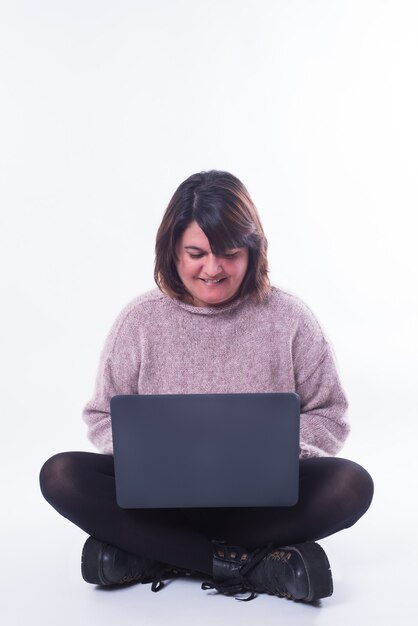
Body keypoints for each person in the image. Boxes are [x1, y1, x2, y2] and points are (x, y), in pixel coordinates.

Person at [39, 170, 374, 603]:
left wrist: (276, 454)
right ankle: (246, 566)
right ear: (173, 253)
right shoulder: (141, 319)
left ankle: (156, 552)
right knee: (61, 474)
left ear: (253, 252)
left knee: (352, 484)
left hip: (262, 503)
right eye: (196, 253)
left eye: (228, 254)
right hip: (161, 501)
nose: (212, 269)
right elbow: (102, 414)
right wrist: (149, 460)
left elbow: (329, 412)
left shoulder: (290, 318)